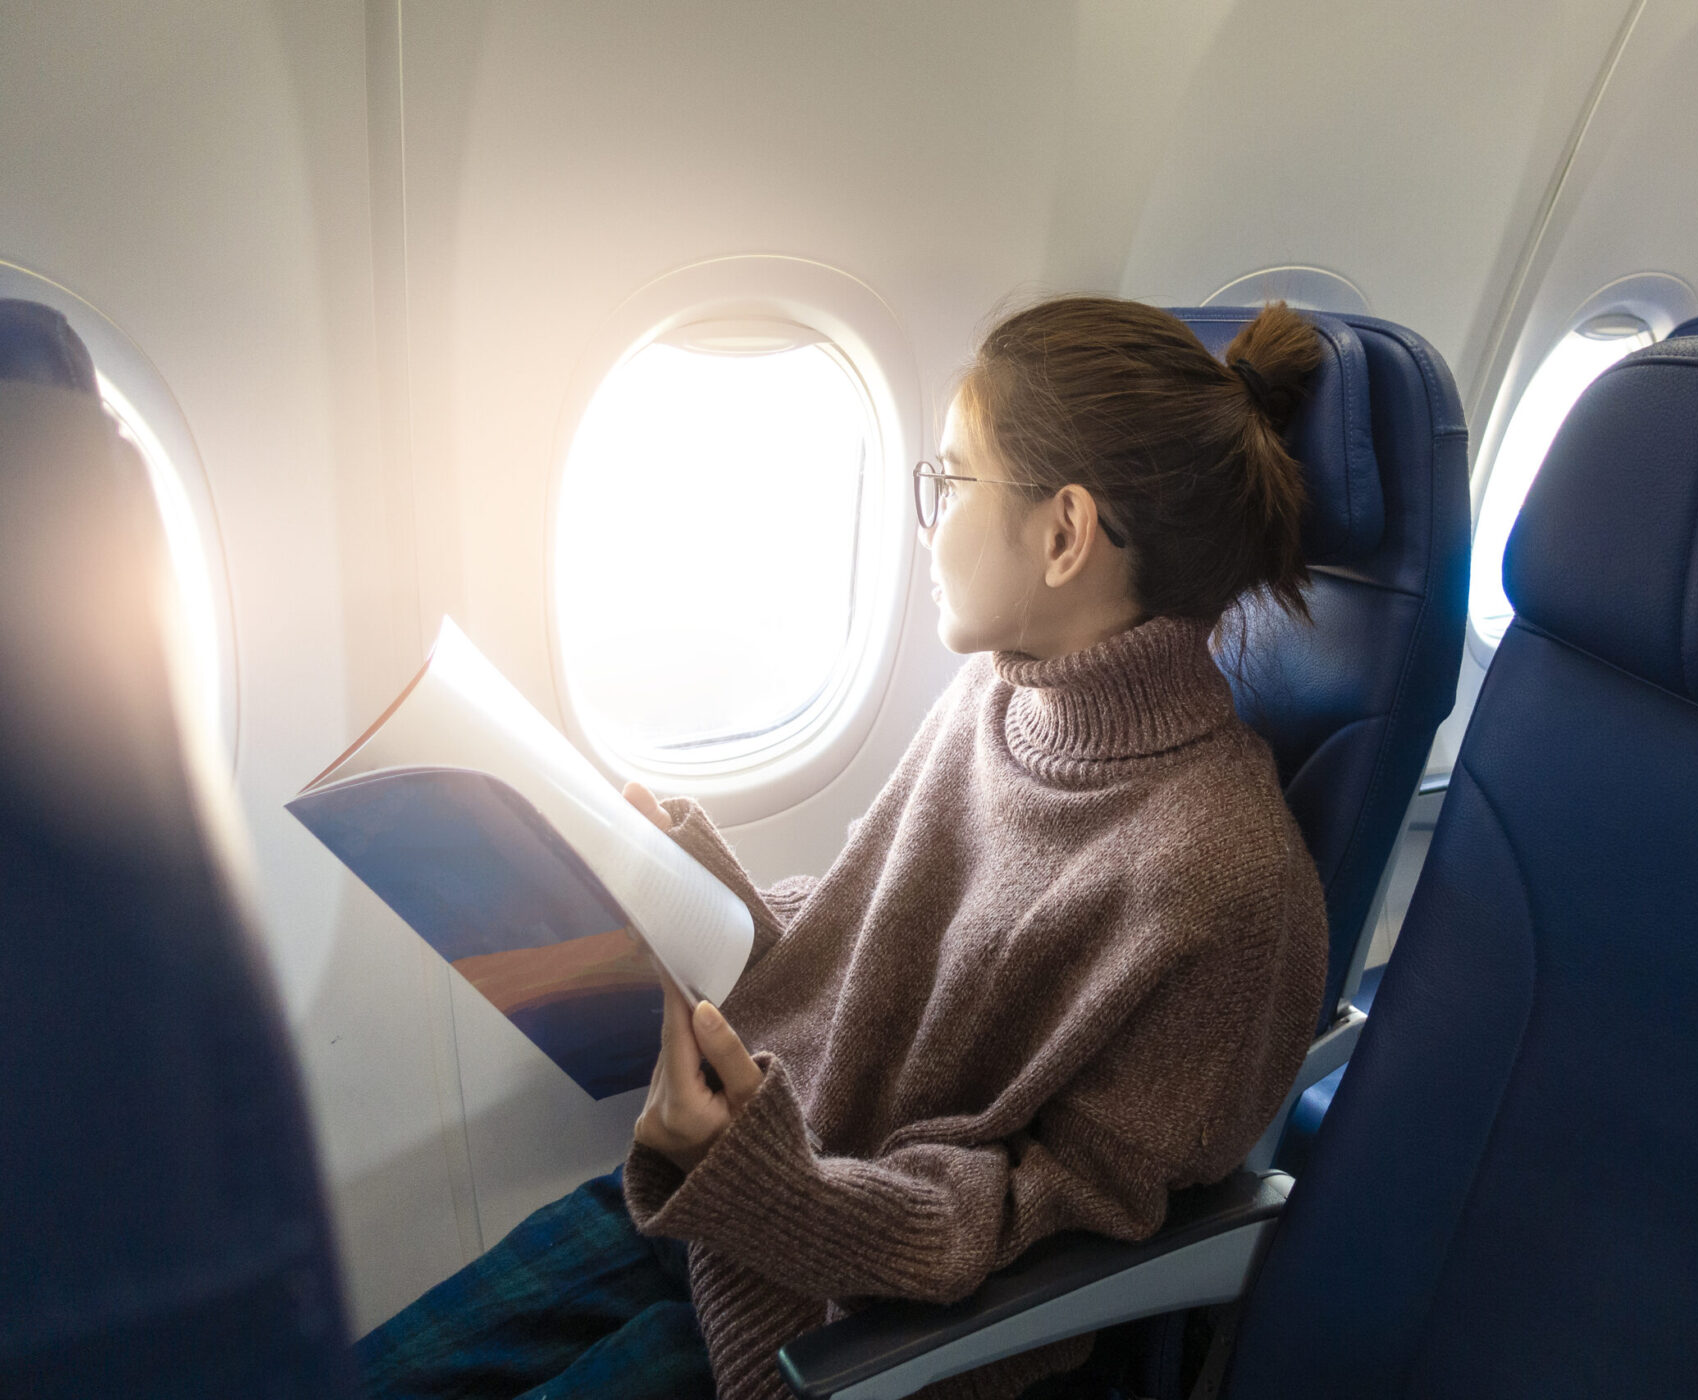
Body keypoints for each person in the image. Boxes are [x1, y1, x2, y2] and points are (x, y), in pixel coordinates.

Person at [356, 296, 1332, 1400]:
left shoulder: (1227, 881)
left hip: (848, 1328)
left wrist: (782, 1189)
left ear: (1063, 534)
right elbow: (873, 941)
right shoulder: (995, 700)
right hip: (732, 1195)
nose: (925, 523)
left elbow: (1055, 1225)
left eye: (949, 481)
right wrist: (671, 883)